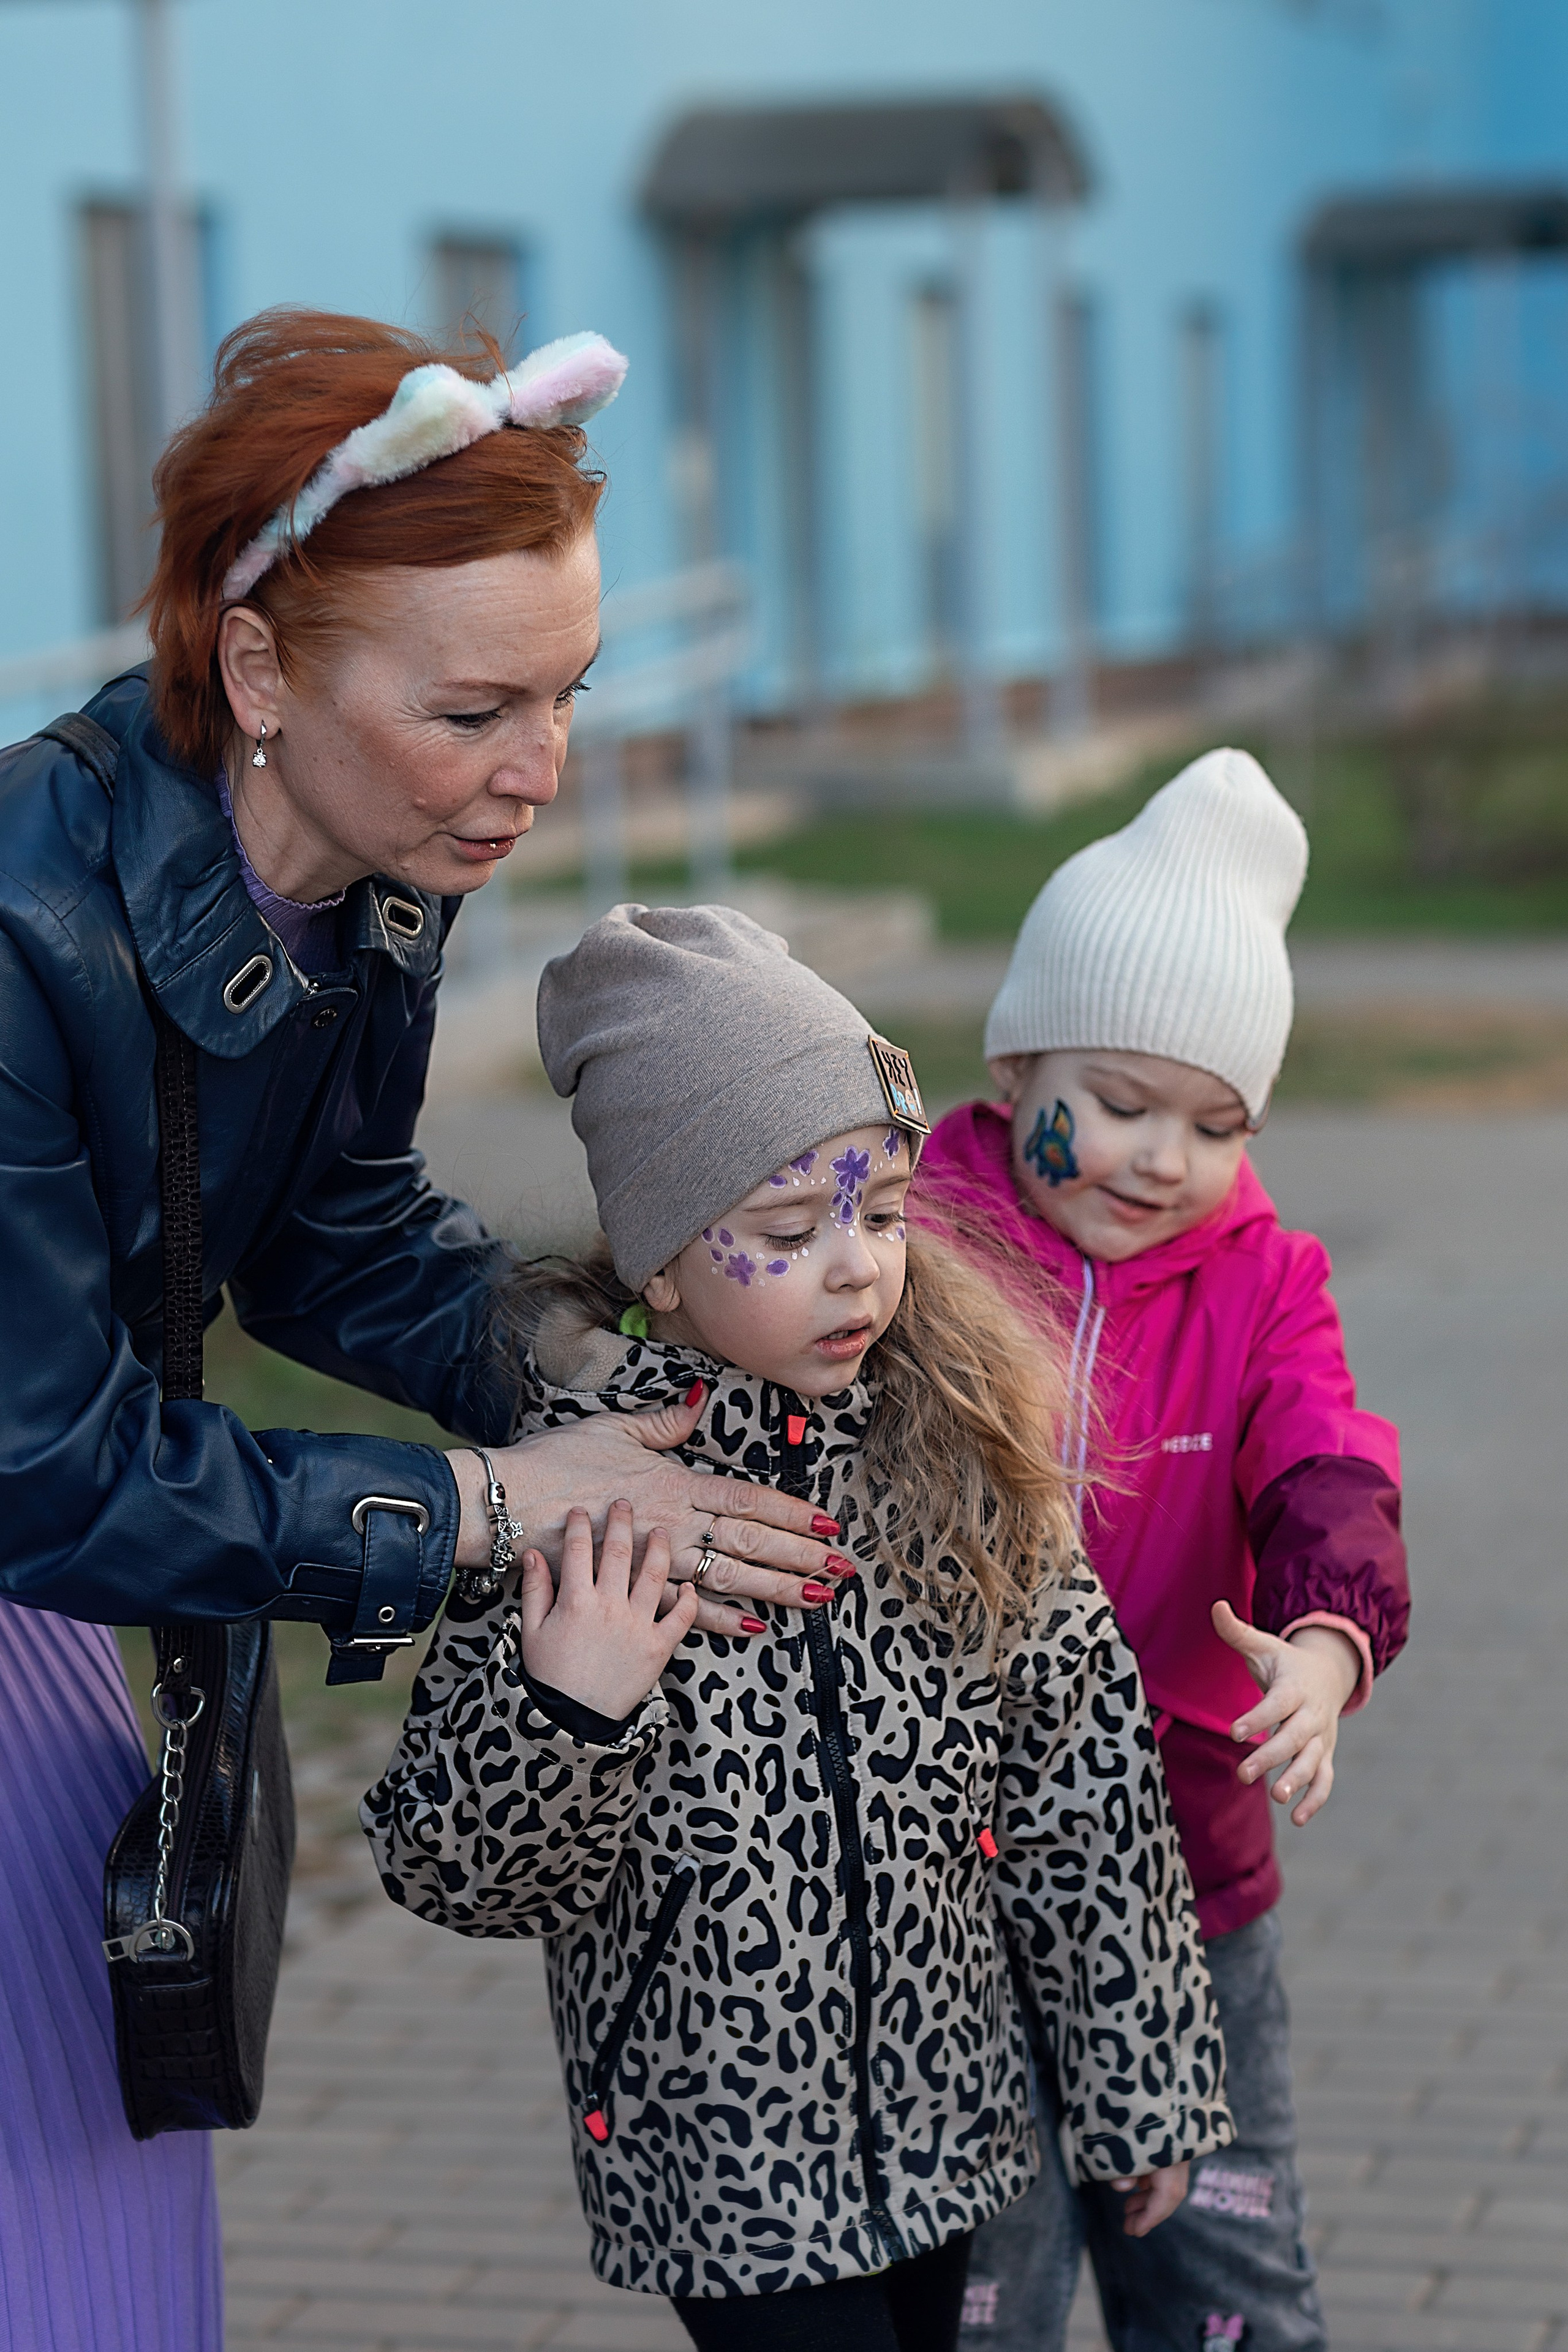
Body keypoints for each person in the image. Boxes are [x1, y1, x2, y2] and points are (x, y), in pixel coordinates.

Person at [0, 314, 843, 2350]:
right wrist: (482, 1506)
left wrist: (609, 1384)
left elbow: (331, 1232)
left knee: (99, 2214)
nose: (537, 773)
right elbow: (48, 1472)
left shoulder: (378, 859)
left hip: (39, 1591)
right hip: (41, 1535)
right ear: (260, 670)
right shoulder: (22, 929)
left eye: (566, 695)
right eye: (476, 709)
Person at [362, 902, 1234, 2352]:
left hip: (946, 2132)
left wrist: (1136, 2083)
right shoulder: (580, 1500)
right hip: (725, 2171)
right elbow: (453, 1871)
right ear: (660, 1262)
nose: (856, 1265)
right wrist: (567, 1706)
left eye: (880, 1211)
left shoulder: (957, 1469)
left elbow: (1086, 1799)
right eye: (787, 1229)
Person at [915, 748, 1411, 2352]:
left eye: (1213, 1125)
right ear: (1014, 1068)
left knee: (1221, 2279)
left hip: (1186, 1876)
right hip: (946, 1892)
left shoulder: (1266, 1281)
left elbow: (1329, 1460)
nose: (1157, 1159)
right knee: (979, 2295)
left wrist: (1327, 1639)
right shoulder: (906, 1246)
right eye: (1120, 1105)